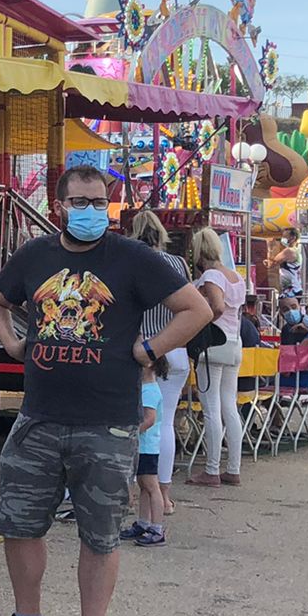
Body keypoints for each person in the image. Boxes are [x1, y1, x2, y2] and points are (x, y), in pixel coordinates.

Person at [0, 165, 208, 616]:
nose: (90, 211)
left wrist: (150, 348)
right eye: (79, 202)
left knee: (99, 535)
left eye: (99, 201)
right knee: (19, 523)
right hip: (39, 416)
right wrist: (13, 343)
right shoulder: (36, 256)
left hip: (108, 423)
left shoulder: (132, 257)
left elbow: (196, 308)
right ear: (60, 205)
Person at [128, 210, 190, 516]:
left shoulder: (134, 262)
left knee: (144, 420)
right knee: (165, 422)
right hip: (177, 347)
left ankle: (142, 491)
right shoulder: (177, 263)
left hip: (145, 346)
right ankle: (163, 494)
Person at [189, 228, 247, 487]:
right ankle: (233, 467)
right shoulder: (236, 276)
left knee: (211, 409)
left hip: (213, 345)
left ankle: (212, 469)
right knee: (229, 407)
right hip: (234, 343)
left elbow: (217, 306)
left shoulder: (211, 275)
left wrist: (198, 324)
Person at [118, 358, 169, 546]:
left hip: (146, 447)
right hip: (144, 446)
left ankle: (157, 527)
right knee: (144, 485)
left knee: (151, 486)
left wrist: (130, 431)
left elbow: (149, 419)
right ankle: (144, 522)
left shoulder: (149, 392)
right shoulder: (146, 389)